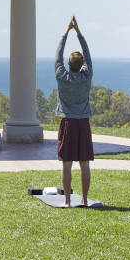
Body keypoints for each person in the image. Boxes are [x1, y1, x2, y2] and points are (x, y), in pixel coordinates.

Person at [54, 15, 93, 207]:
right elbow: (87, 55)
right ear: (82, 64)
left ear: (69, 65)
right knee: (84, 163)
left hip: (68, 123)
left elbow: (58, 55)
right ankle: (84, 199)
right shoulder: (86, 77)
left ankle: (68, 201)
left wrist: (66, 32)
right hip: (83, 123)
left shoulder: (62, 76)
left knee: (67, 163)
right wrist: (78, 32)